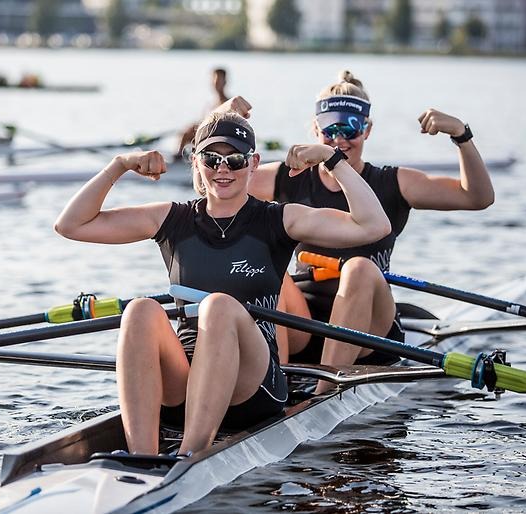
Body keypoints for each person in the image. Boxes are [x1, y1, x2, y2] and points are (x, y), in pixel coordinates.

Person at [54, 98, 391, 455]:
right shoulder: (171, 218)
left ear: (253, 164)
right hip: (183, 380)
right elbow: (71, 225)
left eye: (235, 159)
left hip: (253, 386)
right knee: (139, 310)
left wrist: (331, 158)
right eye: (212, 160)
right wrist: (118, 166)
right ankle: (142, 458)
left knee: (218, 306)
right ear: (197, 163)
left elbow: (374, 225)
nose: (223, 169)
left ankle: (189, 455)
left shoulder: (279, 219)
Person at [248, 70, 495, 393]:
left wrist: (461, 135)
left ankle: (324, 396)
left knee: (360, 268)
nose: (340, 140)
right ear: (314, 129)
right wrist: (224, 120)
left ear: (367, 129)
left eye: (350, 128)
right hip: (303, 323)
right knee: (266, 264)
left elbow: (477, 197)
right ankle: (273, 385)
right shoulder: (286, 176)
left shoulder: (392, 183)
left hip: (370, 330)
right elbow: (215, 185)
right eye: (330, 129)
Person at [174, 67, 230, 160]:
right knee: (186, 131)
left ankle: (180, 156)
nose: (216, 85)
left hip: (218, 138)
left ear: (225, 82)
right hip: (206, 135)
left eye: (218, 81)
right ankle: (181, 154)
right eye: (214, 81)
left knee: (188, 133)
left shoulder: (228, 103)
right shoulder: (210, 104)